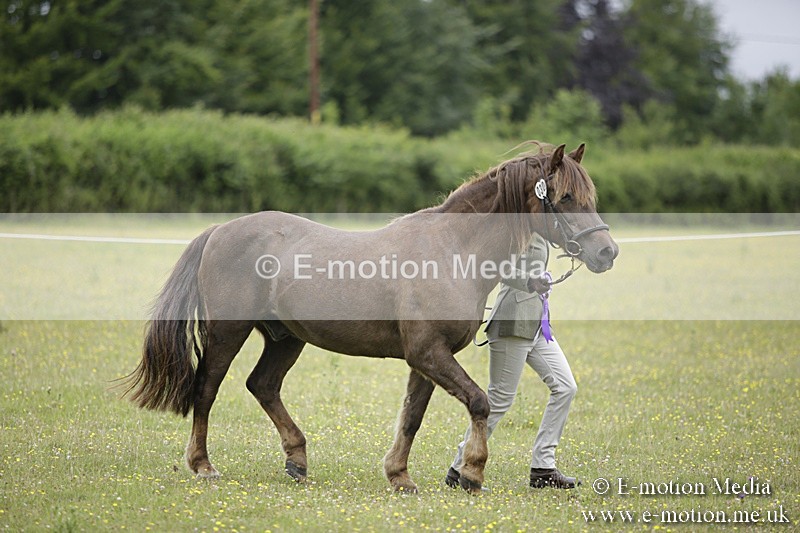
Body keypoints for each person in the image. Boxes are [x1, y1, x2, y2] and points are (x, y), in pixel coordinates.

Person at [445, 233, 581, 490]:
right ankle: (458, 468)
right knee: (499, 400)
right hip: (512, 322)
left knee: (565, 387)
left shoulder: (543, 227)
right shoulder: (515, 228)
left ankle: (543, 468)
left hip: (537, 325)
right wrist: (529, 280)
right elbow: (495, 266)